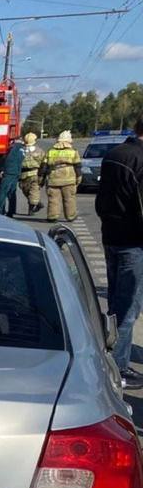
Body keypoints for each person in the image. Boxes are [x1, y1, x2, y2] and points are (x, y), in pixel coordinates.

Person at [95, 118, 143, 390]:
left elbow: (103, 200)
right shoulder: (140, 159)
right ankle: (119, 368)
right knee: (128, 307)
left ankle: (111, 357)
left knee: (115, 302)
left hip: (112, 236)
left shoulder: (115, 154)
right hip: (133, 243)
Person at [42, 130, 81, 222]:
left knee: (53, 199)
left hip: (53, 179)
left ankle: (52, 216)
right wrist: (79, 177)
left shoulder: (50, 151)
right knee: (69, 198)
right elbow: (78, 166)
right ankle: (70, 216)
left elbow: (44, 166)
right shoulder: (73, 151)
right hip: (69, 179)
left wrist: (42, 178)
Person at [0, 137, 24, 216]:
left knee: (1, 192)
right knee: (11, 192)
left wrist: (3, 170)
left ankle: (0, 211)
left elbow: (9, 160)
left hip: (9, 173)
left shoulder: (14, 148)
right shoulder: (22, 148)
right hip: (16, 173)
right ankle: (11, 211)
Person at [19, 132, 44, 216]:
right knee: (25, 191)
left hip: (35, 173)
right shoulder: (21, 150)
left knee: (33, 192)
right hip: (23, 174)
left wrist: (41, 175)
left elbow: (43, 163)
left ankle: (31, 209)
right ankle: (37, 203)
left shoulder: (39, 151)